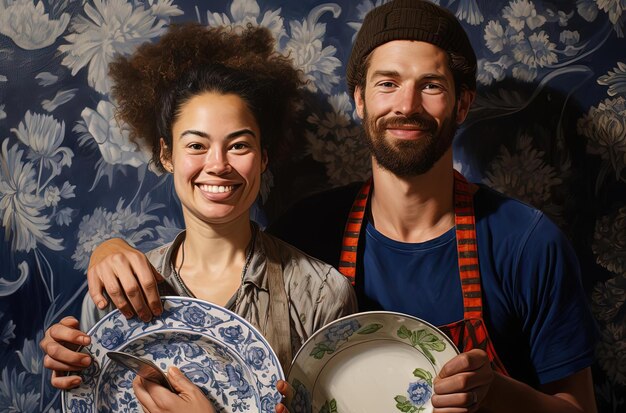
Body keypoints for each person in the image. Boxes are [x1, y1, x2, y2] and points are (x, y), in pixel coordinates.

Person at [82, 1, 599, 412]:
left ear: (462, 104)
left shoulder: (525, 241)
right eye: (387, 83)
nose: (407, 105)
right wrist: (109, 252)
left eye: (432, 86)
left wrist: (496, 394)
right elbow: (221, 245)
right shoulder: (310, 230)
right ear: (359, 98)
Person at [38, 22, 357, 412]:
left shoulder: (322, 295)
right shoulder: (116, 286)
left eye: (238, 144)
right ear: (167, 155)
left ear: (265, 156)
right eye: (196, 145)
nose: (218, 165)